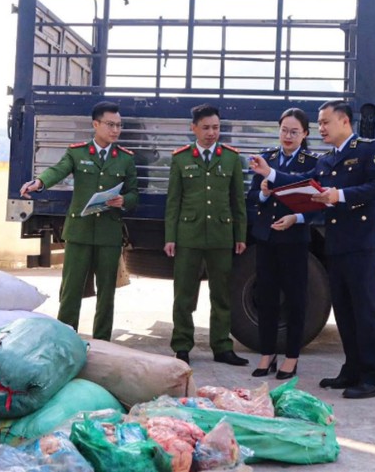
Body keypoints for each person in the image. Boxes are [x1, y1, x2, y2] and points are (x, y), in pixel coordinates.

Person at [249, 100, 375, 399]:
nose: (321, 128)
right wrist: (270, 173)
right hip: (337, 246)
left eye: (326, 122)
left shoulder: (368, 150)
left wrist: (340, 195)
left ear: (344, 122)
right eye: (320, 123)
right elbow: (302, 182)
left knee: (366, 312)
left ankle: (373, 377)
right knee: (345, 312)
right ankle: (352, 369)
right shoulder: (327, 160)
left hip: (363, 245)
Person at [20, 101, 139, 341]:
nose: (115, 130)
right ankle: (65, 337)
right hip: (79, 232)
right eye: (110, 124)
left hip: (108, 233)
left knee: (107, 293)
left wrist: (123, 200)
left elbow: (134, 194)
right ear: (95, 124)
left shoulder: (125, 159)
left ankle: (102, 341)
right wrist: (39, 183)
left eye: (119, 125)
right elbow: (58, 170)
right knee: (71, 289)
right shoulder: (78, 152)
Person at [164, 103, 248, 366]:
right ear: (194, 128)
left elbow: (238, 201)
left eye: (216, 127)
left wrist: (240, 235)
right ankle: (182, 346)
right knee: (184, 294)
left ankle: (222, 347)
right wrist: (170, 237)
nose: (212, 133)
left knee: (221, 294)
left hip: (221, 235)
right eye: (206, 128)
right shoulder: (181, 158)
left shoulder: (231, 158)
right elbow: (173, 201)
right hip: (188, 235)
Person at [247, 108, 319, 380]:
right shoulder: (266, 158)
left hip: (294, 239)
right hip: (267, 238)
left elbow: (317, 202)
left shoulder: (312, 162)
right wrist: (264, 194)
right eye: (284, 130)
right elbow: (252, 196)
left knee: (295, 299)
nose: (288, 136)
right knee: (266, 297)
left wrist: (296, 218)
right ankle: (267, 353)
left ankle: (291, 357)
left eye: (294, 132)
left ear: (305, 134)